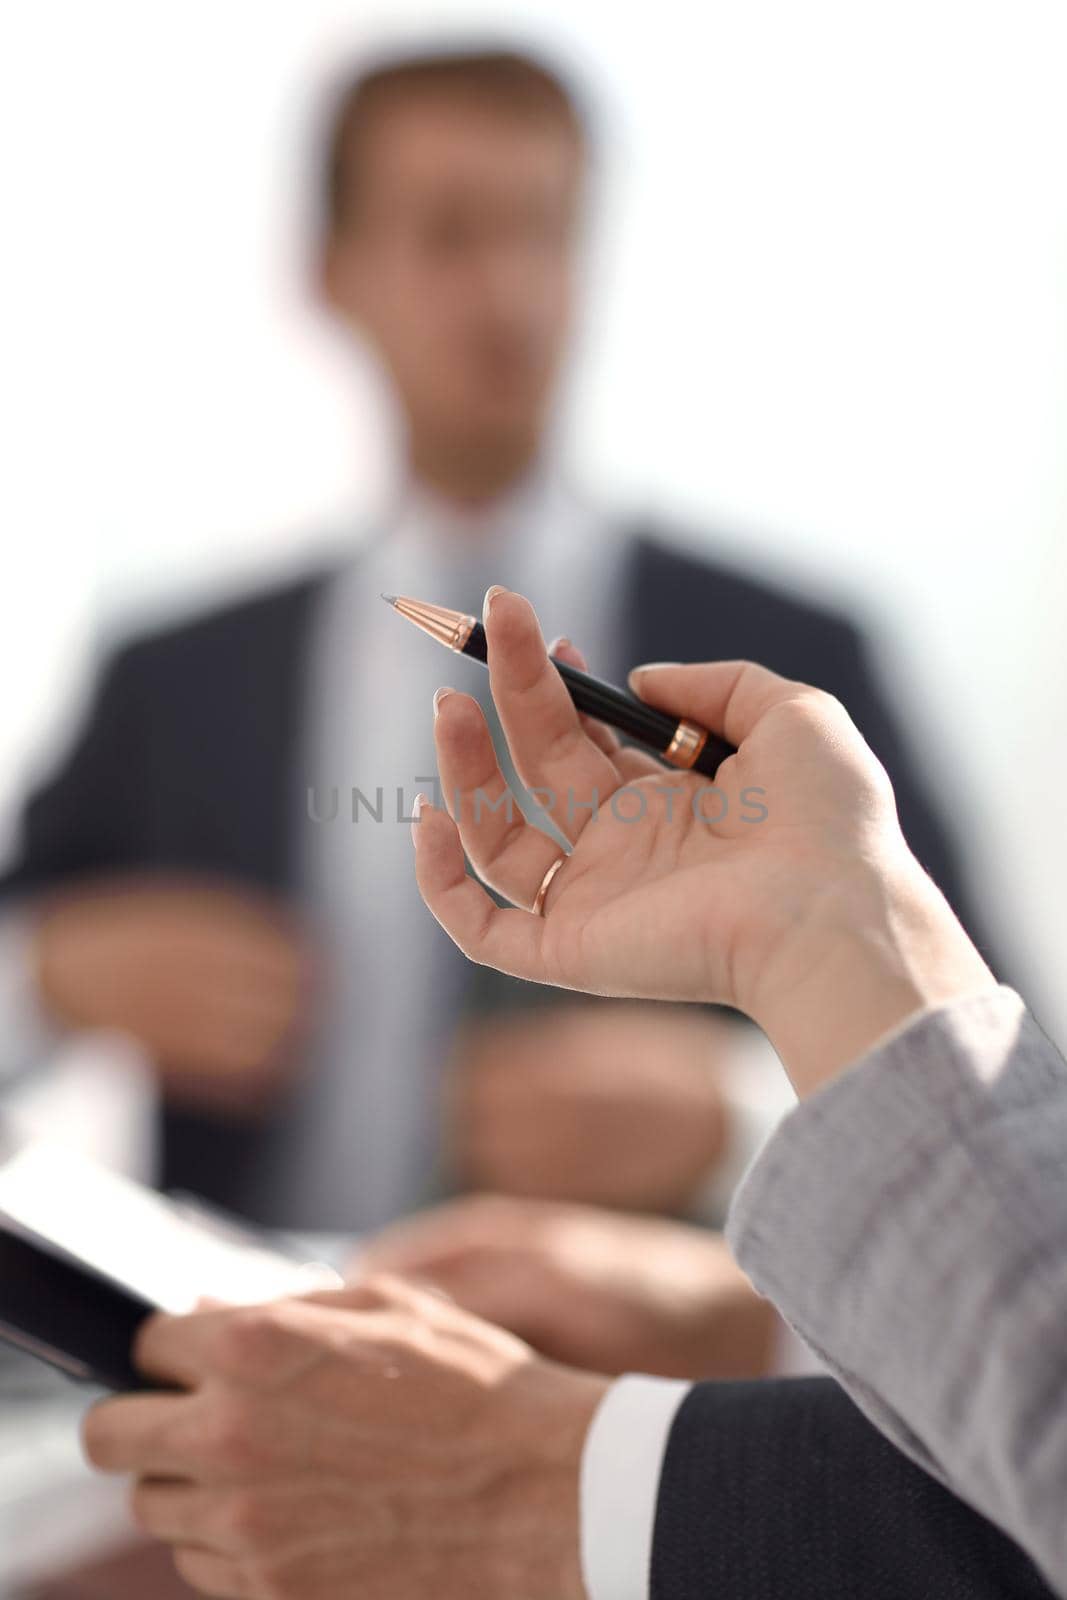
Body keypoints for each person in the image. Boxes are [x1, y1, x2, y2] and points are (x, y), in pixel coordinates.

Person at [0, 46, 1001, 1241]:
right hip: (243, 1370)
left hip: (643, 1394)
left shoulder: (792, 662)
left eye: (544, 230)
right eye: (448, 234)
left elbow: (995, 1055)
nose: (510, 295)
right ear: (331, 272)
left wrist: (728, 1117)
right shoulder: (172, 681)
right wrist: (47, 978)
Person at [82, 589, 1066, 1599]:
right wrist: (756, 1325)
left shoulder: (796, 633)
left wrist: (561, 1484)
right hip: (275, 1369)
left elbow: (1013, 1031)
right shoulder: (174, 657)